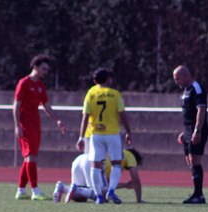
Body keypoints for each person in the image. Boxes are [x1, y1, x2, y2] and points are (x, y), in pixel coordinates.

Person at [13, 54, 66, 201]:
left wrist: (57, 120)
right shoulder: (24, 83)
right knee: (30, 156)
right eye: (43, 69)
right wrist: (17, 125)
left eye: (47, 70)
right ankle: (35, 190)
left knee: (30, 157)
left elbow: (46, 106)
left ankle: (21, 190)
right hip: (25, 124)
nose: (45, 72)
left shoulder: (41, 86)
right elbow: (16, 105)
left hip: (36, 124)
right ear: (35, 67)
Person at [76, 68, 132, 204]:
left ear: (95, 81)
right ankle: (111, 190)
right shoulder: (115, 94)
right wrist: (128, 131)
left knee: (95, 165)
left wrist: (81, 137)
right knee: (116, 163)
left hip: (96, 134)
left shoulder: (91, 94)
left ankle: (98, 196)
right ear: (108, 79)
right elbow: (122, 114)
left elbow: (85, 116)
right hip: (112, 134)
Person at [172, 65, 208, 204]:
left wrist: (197, 130)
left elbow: (201, 110)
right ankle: (196, 193)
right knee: (190, 162)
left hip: (197, 129)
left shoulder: (196, 88)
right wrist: (185, 132)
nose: (176, 82)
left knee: (195, 161)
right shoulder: (186, 90)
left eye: (178, 78)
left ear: (186, 75)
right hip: (188, 129)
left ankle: (199, 195)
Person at [53, 148, 143, 203]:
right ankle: (78, 189)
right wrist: (139, 200)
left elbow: (108, 185)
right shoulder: (130, 156)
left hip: (79, 160)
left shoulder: (117, 155)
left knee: (81, 199)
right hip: (93, 163)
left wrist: (125, 185)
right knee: (103, 197)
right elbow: (136, 179)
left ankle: (63, 187)